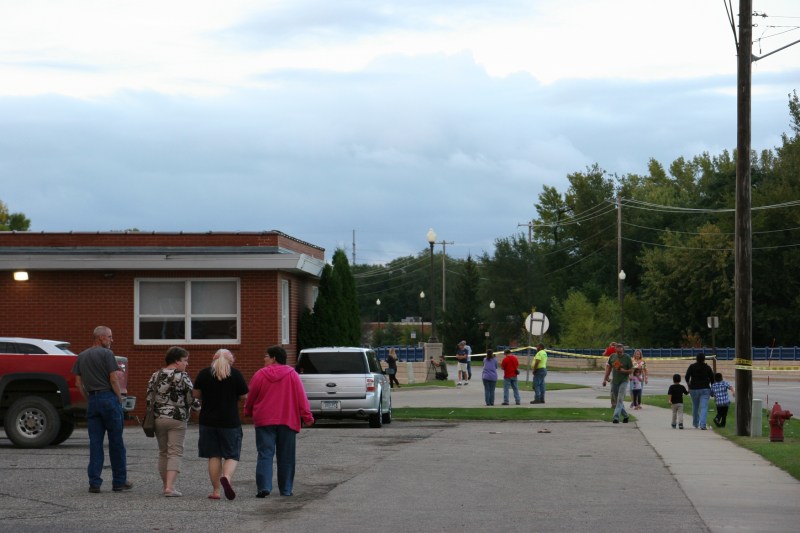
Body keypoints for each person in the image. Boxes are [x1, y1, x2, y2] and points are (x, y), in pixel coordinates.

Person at [245, 345, 315, 498]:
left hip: (264, 420)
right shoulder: (292, 375)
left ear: (273, 358)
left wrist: (248, 410)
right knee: (286, 456)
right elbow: (301, 398)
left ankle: (264, 486)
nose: (264, 359)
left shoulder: (260, 375)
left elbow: (251, 396)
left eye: (266, 356)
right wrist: (307, 417)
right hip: (287, 420)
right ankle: (286, 489)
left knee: (265, 454)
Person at [72, 326, 131, 493]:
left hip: (93, 399)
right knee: (116, 442)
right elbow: (114, 379)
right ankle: (119, 481)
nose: (112, 340)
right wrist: (119, 398)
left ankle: (94, 482)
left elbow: (78, 383)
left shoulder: (81, 356)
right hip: (108, 398)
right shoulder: (107, 354)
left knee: (95, 443)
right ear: (102, 338)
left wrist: (89, 398)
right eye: (110, 337)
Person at [193, 349, 249, 500]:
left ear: (213, 359)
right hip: (230, 420)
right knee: (232, 454)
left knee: (214, 455)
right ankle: (227, 478)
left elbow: (196, 394)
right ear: (231, 361)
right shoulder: (235, 374)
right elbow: (244, 395)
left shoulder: (204, 373)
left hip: (208, 421)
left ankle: (216, 491)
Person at [146, 346, 194, 497]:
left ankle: (165, 484)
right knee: (175, 452)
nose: (187, 364)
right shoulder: (182, 376)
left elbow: (149, 398)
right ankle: (170, 487)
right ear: (176, 361)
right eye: (185, 360)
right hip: (177, 418)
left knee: (163, 452)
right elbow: (191, 398)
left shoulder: (155, 375)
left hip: (159, 418)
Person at [602, 343, 632, 423]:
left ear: (623, 351)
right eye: (617, 352)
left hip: (624, 381)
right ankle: (626, 416)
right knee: (617, 400)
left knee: (619, 399)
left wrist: (624, 371)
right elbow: (608, 368)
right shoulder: (612, 356)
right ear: (615, 350)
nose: (619, 354)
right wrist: (605, 379)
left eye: (620, 352)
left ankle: (616, 417)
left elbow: (631, 370)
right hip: (614, 381)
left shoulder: (627, 358)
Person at [685, 353, 715, 430]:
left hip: (693, 389)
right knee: (704, 407)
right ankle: (703, 424)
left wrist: (689, 386)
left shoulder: (692, 367)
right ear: (704, 359)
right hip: (705, 389)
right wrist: (712, 390)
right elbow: (712, 380)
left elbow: (686, 377)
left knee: (695, 406)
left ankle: (695, 423)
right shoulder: (707, 367)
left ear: (696, 359)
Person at [602, 342, 618, 407]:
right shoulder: (617, 350)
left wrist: (604, 379)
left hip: (610, 361)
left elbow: (604, 354)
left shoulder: (608, 349)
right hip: (614, 363)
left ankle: (607, 378)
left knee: (608, 369)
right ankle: (608, 378)